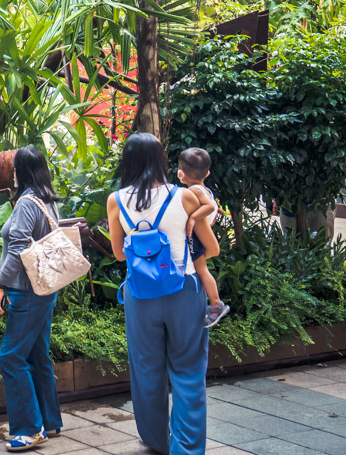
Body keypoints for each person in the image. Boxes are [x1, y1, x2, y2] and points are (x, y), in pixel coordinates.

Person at [107, 133, 219, 455]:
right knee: (188, 370)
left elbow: (118, 253)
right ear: (161, 161)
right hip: (183, 290)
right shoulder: (183, 196)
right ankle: (186, 448)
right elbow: (210, 248)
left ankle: (158, 441)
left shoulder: (116, 200)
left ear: (127, 161)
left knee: (146, 369)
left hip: (140, 295)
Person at [0, 145, 64, 452]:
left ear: (19, 172)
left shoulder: (26, 203)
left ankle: (29, 429)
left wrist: (0, 286)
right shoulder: (47, 199)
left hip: (28, 290)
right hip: (46, 288)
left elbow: (19, 247)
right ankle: (49, 421)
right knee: (36, 355)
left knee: (10, 356)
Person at [176, 147, 230, 327]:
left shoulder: (195, 191)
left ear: (180, 173)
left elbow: (208, 207)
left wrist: (192, 218)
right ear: (207, 173)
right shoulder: (203, 189)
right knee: (200, 268)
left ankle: (216, 304)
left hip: (196, 237)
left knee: (201, 269)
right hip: (201, 234)